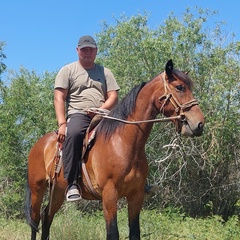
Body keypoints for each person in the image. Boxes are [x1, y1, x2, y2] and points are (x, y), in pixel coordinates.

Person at [54, 35, 120, 202]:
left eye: (91, 49)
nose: (87, 52)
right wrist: (62, 123)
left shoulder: (105, 72)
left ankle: (139, 180)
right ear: (77, 51)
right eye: (84, 49)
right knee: (75, 134)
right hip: (79, 113)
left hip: (103, 114)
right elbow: (59, 98)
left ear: (96, 51)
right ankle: (72, 183)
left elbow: (113, 96)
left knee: (129, 132)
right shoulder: (67, 70)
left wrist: (101, 109)